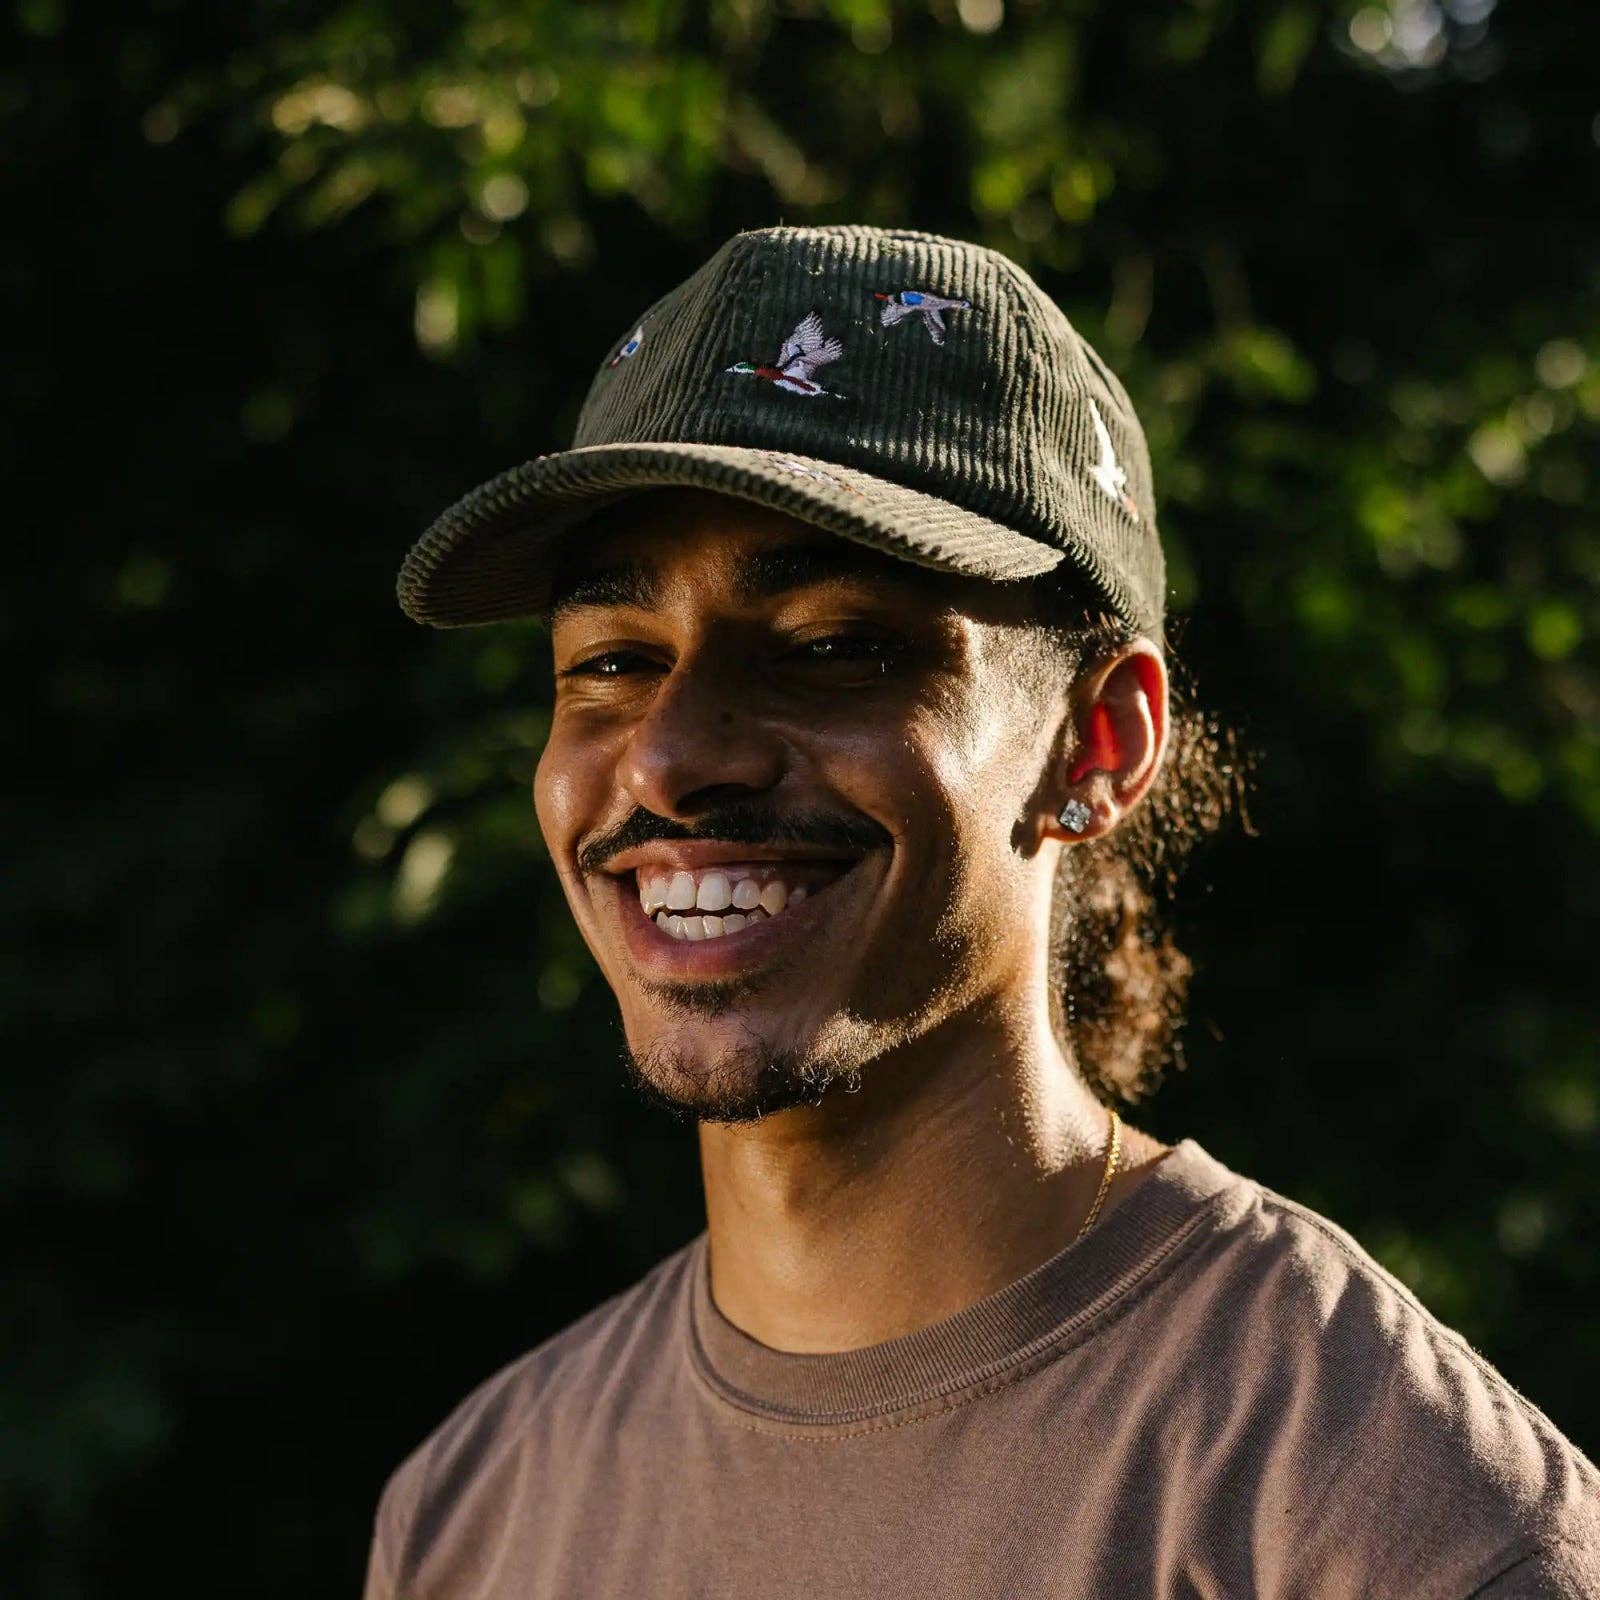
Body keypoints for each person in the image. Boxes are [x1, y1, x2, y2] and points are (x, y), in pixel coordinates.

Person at [365, 225, 1600, 1597]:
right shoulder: (471, 1516)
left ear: (1100, 742)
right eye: (610, 660)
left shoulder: (1392, 1519)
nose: (666, 755)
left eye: (835, 646)